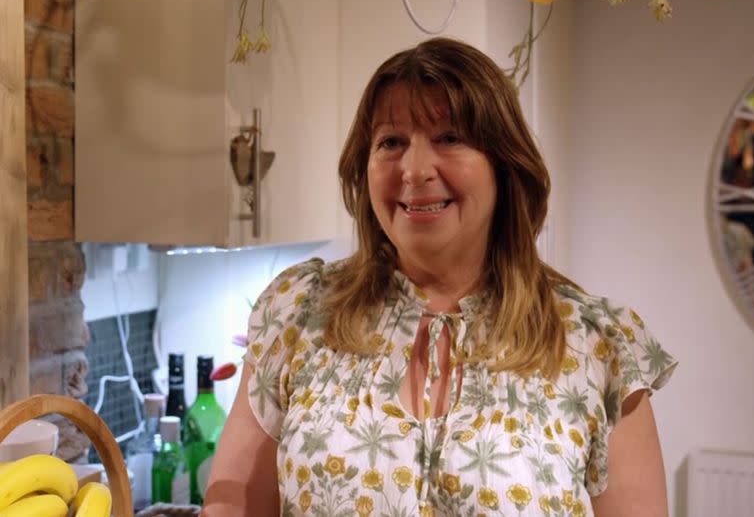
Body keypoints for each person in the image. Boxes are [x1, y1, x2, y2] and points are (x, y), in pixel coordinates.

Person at [202, 36, 678, 517]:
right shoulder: (298, 312)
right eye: (391, 142)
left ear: (503, 164)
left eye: (450, 138)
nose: (414, 169)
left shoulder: (597, 347)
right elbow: (233, 505)